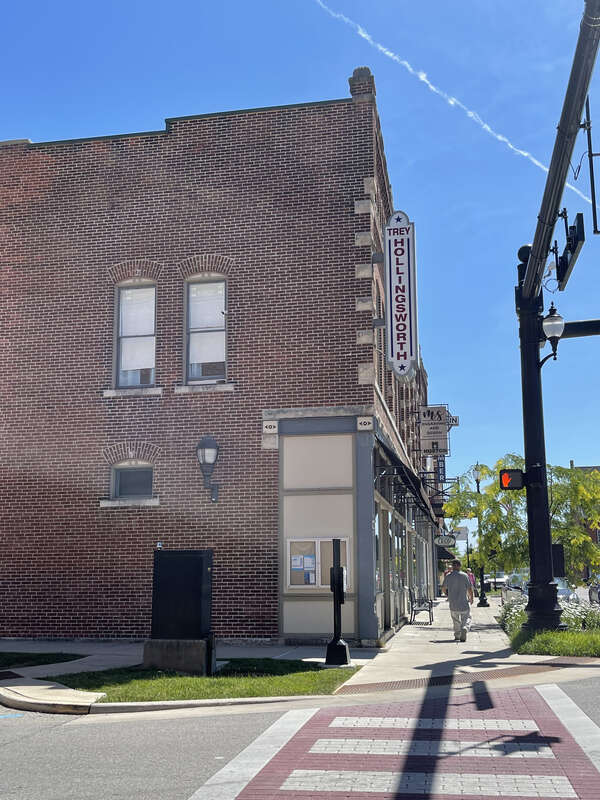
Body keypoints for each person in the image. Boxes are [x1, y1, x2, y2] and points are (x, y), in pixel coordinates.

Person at [442, 558, 474, 642]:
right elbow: (470, 588)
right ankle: (465, 628)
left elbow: (443, 588)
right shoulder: (465, 575)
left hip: (453, 603)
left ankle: (457, 635)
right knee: (467, 617)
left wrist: (447, 595)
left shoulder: (448, 576)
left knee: (455, 620)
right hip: (463, 602)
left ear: (452, 566)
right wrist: (471, 598)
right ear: (460, 566)